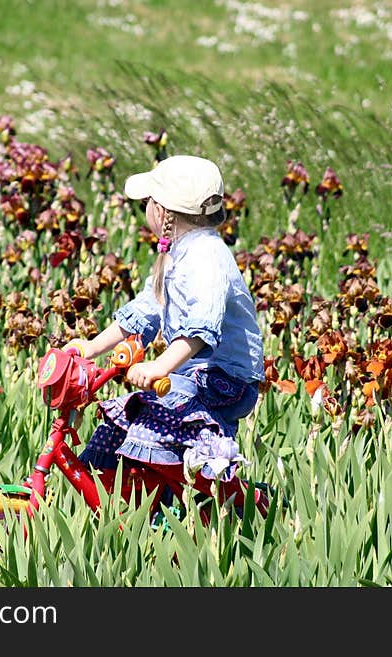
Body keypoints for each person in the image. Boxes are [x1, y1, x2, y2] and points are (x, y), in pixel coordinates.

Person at [65, 154, 267, 514]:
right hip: (192, 372)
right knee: (117, 431)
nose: (146, 209)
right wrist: (91, 348)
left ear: (163, 212)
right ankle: (154, 506)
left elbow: (202, 329)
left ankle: (234, 502)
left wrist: (160, 366)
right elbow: (146, 309)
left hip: (223, 379)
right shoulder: (177, 253)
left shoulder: (207, 256)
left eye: (148, 203)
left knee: (155, 428)